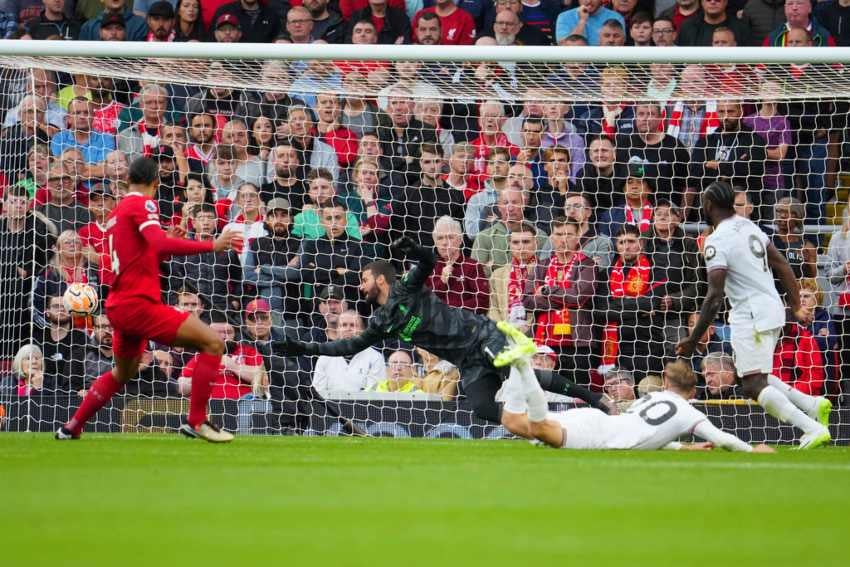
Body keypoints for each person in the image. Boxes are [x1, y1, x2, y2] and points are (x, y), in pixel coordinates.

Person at [269, 237, 614, 438]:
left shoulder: (406, 287)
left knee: (518, 375)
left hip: (481, 335)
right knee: (481, 406)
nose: (360, 287)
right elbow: (349, 344)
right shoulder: (381, 321)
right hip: (466, 360)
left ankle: (596, 400)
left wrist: (413, 249)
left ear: (381, 279)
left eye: (364, 280)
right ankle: (542, 430)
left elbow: (427, 261)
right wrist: (304, 347)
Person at [55, 157, 243, 442]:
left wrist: (167, 240)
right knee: (214, 343)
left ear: (129, 179)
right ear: (155, 182)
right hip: (139, 304)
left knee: (123, 372)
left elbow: (146, 252)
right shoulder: (143, 204)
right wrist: (211, 245)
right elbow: (158, 242)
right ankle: (197, 421)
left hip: (119, 305)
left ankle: (72, 426)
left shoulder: (116, 213)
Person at [676, 181, 832, 449]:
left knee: (752, 385)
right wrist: (795, 306)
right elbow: (782, 264)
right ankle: (812, 404)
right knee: (755, 373)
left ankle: (812, 428)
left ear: (708, 205)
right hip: (771, 307)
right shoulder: (748, 226)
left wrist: (693, 339)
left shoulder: (716, 241)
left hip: (751, 314)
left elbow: (714, 296)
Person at [503, 358, 773, 452]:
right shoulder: (689, 412)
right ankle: (523, 368)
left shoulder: (651, 397)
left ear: (665, 382)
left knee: (514, 422)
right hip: (597, 437)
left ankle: (518, 370)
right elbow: (722, 438)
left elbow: (646, 432)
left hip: (593, 420)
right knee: (537, 427)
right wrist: (752, 450)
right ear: (692, 391)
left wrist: (683, 447)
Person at [312, 310, 386, 397]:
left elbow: (375, 394)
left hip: (363, 404)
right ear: (337, 330)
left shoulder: (375, 357)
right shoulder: (325, 356)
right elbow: (318, 391)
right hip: (330, 404)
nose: (348, 329)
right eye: (344, 325)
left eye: (353, 325)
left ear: (362, 331)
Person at [426, 216, 489, 314]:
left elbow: (482, 301)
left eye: (450, 237)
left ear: (460, 240)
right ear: (435, 242)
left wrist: (451, 310)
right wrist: (442, 282)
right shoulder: (429, 267)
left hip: (463, 320)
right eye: (440, 238)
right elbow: (424, 300)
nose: (444, 243)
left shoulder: (472, 266)